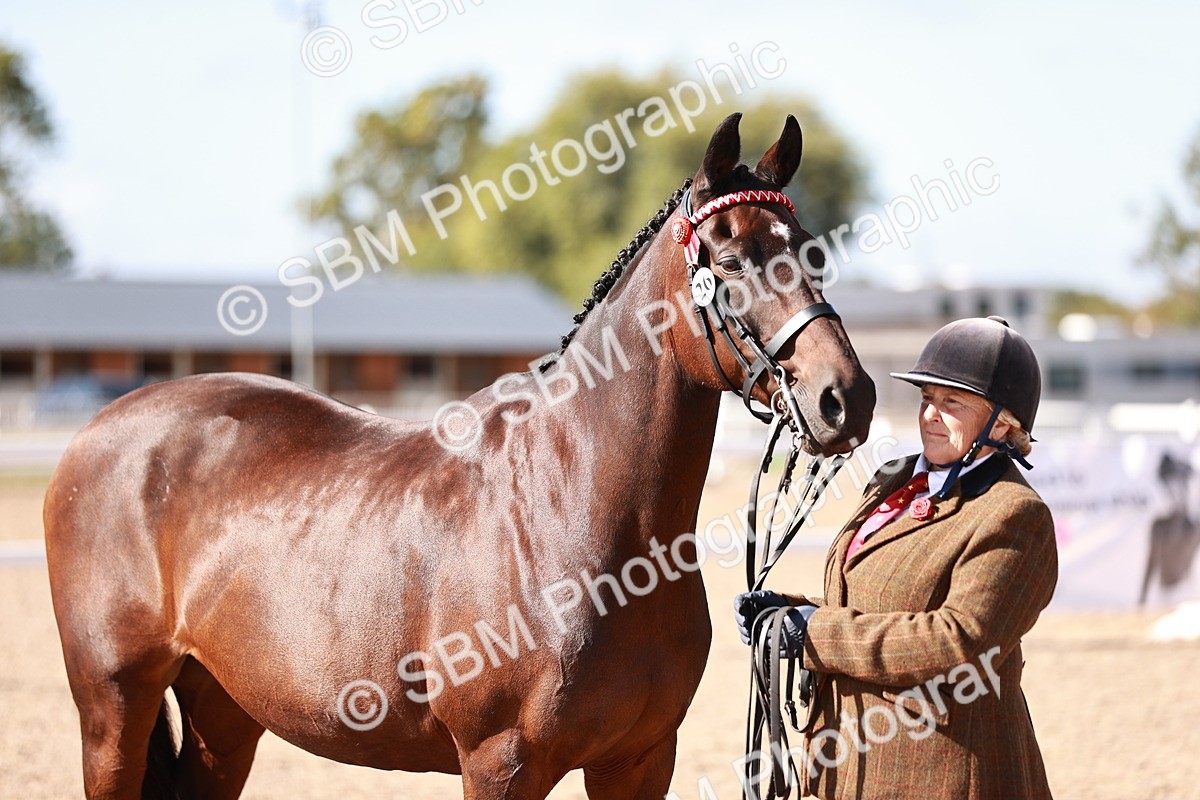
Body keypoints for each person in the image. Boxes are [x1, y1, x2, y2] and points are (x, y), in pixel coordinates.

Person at [735, 316, 1057, 800]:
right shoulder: (895, 480)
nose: (930, 415)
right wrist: (788, 613)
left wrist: (815, 632)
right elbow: (873, 597)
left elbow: (958, 644)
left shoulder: (1015, 515)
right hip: (847, 764)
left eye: (952, 403)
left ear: (1005, 422)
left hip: (943, 773)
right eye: (927, 399)